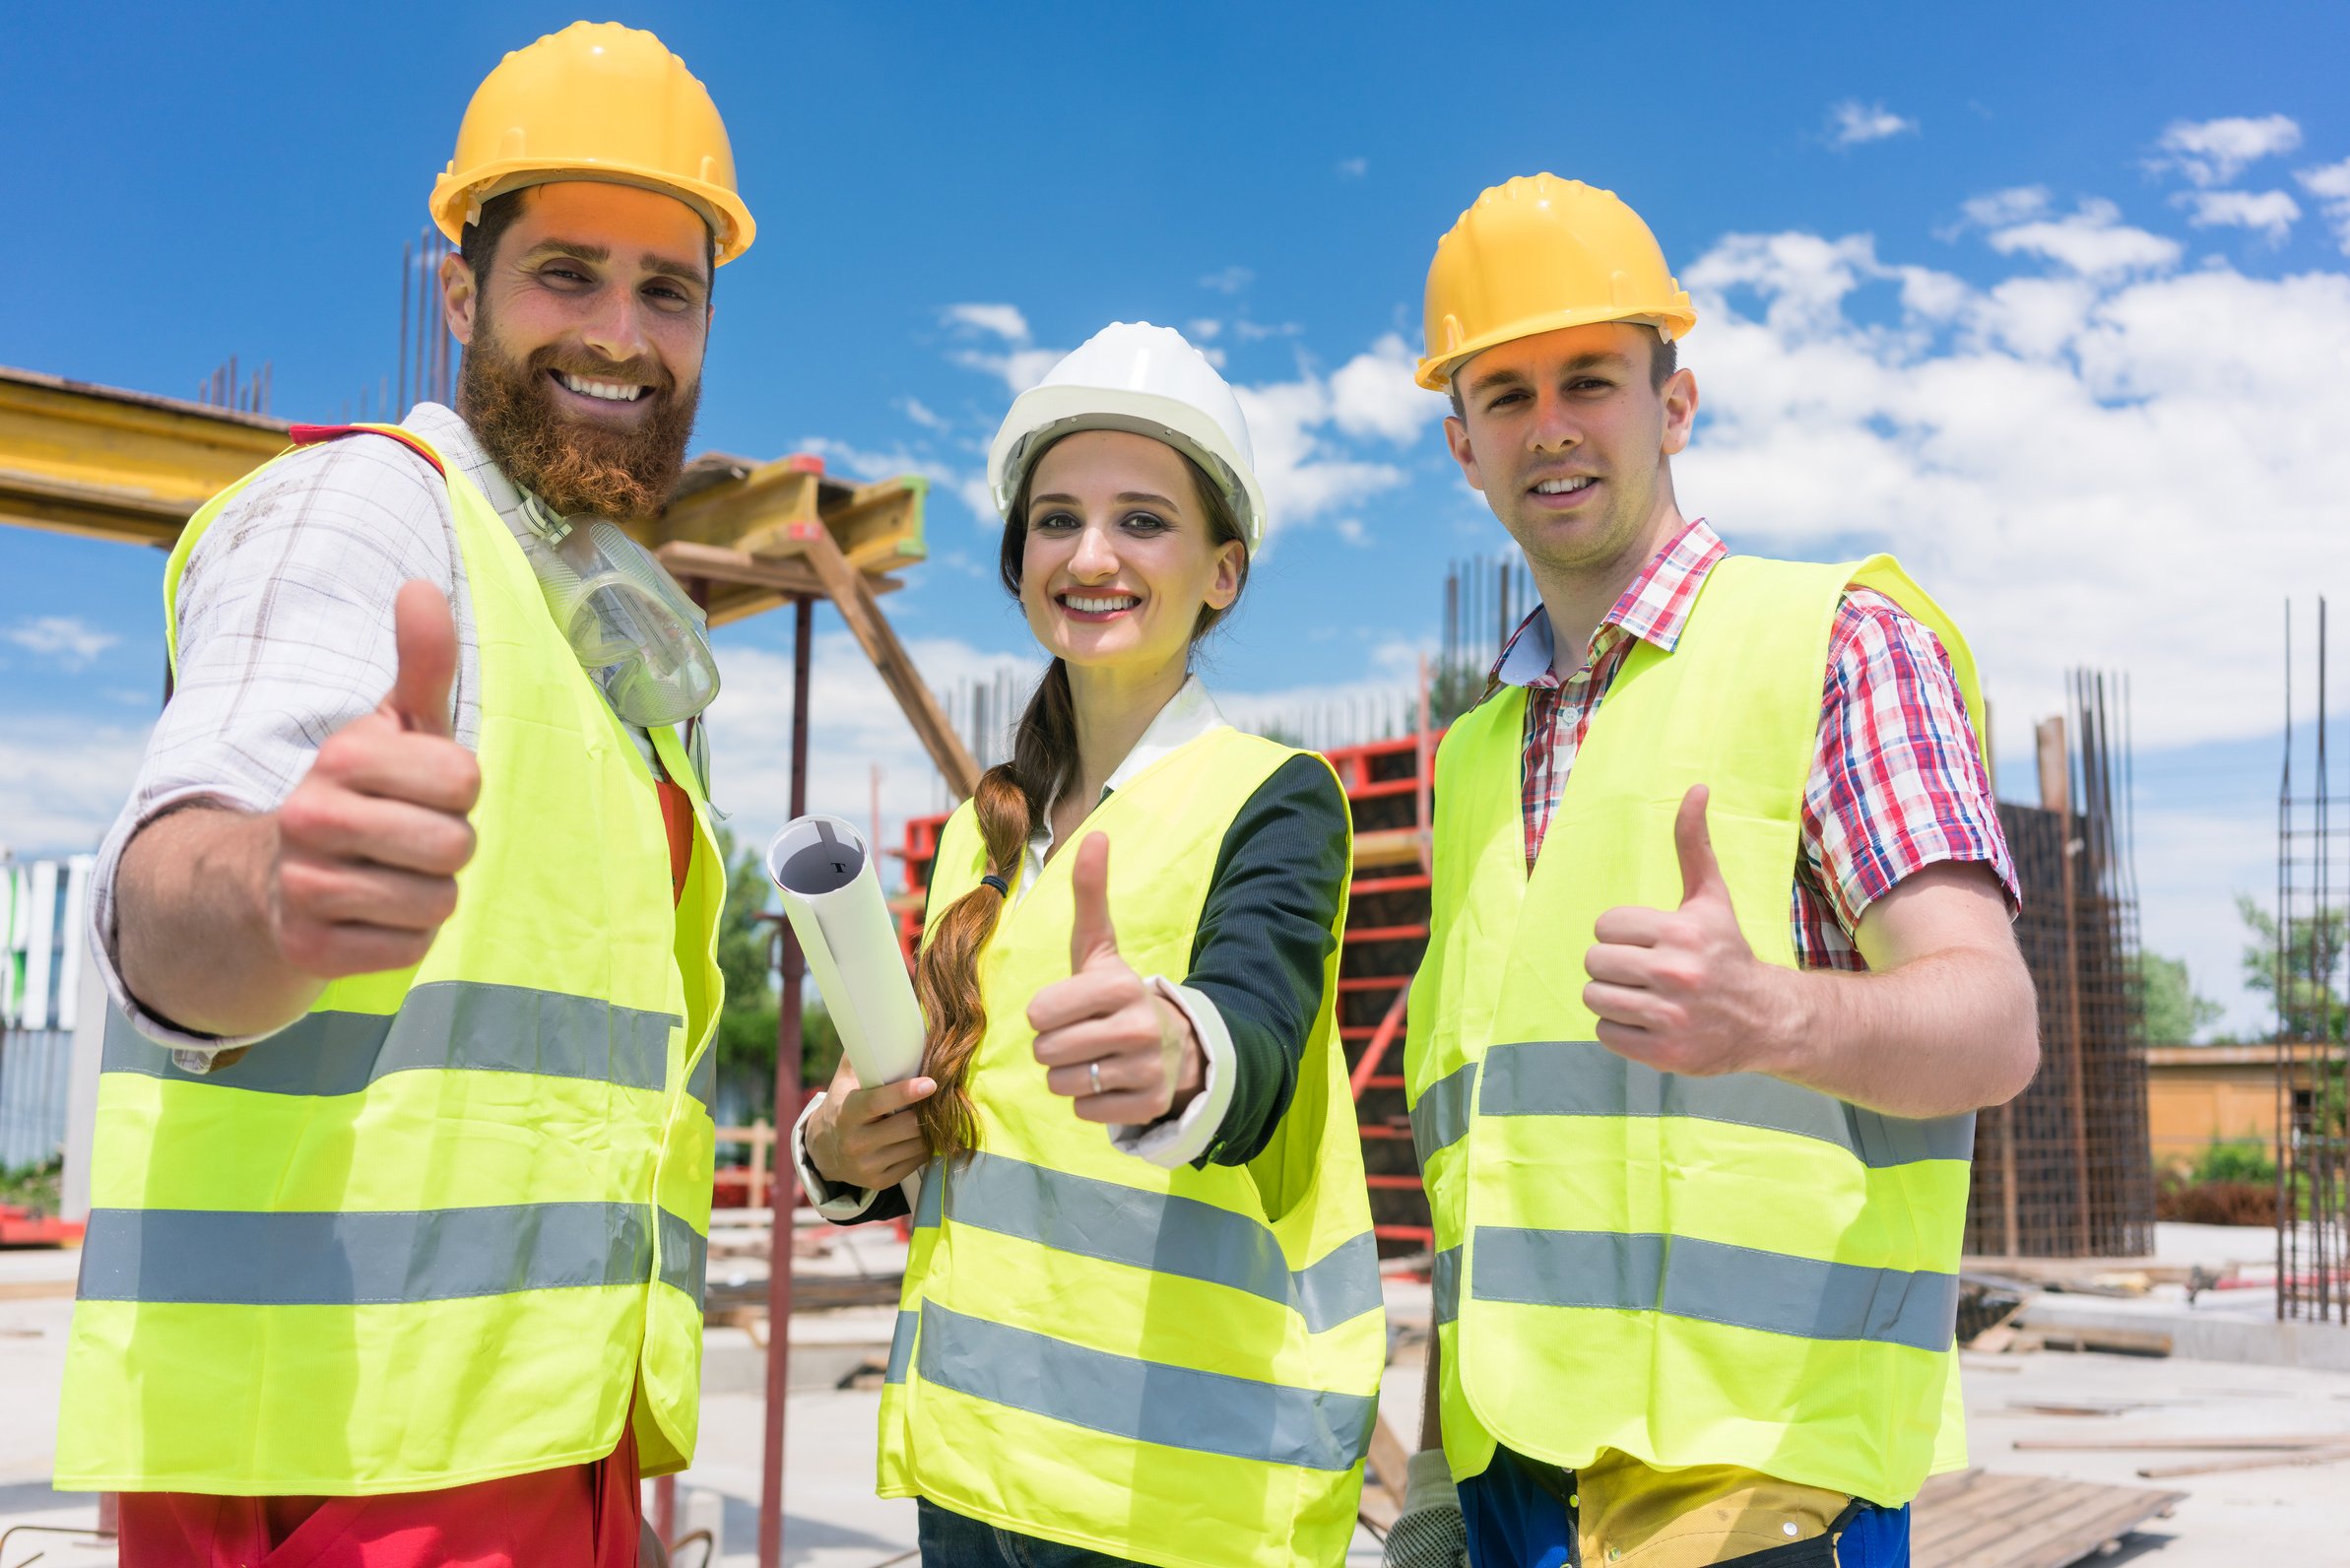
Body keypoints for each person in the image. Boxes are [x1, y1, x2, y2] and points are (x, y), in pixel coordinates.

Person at [55, 23, 753, 1566]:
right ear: (462, 294)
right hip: (327, 1481)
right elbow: (170, 890)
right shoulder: (363, 512)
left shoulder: (593, 627)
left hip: (543, 1447)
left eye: (668, 290)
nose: (623, 334)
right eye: (566, 273)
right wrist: (278, 897)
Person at [1383, 176, 2040, 1568]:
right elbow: (1487, 1171)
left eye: (1589, 380)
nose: (1548, 426)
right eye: (1504, 395)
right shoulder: (1475, 757)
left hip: (1762, 1491)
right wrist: (1441, 1474)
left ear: (1672, 407)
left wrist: (1776, 1017)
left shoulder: (1837, 646)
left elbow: (1992, 1025)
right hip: (1513, 1489)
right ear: (1462, 446)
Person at [796, 323, 1385, 1568]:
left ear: (1221, 571)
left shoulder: (1275, 794)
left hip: (1187, 1501)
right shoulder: (980, 833)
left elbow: (1260, 1033)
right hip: (975, 1469)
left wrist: (1179, 1051)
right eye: (1056, 520)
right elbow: (959, 1123)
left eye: (1143, 520)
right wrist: (838, 1149)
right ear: (1018, 565)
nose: (1092, 553)